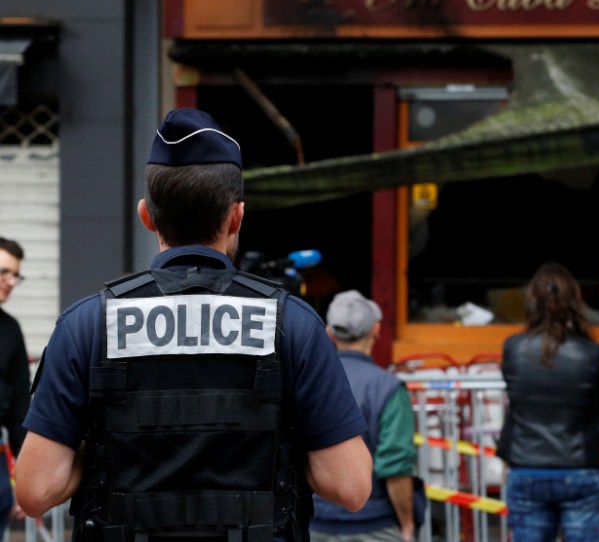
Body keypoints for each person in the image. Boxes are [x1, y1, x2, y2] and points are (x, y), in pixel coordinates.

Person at [13, 108, 373, 541]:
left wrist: (108, 445)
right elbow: (350, 488)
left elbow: (35, 492)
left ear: (147, 216)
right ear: (237, 216)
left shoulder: (87, 325)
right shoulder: (292, 324)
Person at [497, 261, 599, 542]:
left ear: (533, 300)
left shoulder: (514, 348)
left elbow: (517, 399)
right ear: (575, 301)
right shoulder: (591, 352)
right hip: (582, 466)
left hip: (527, 464)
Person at [309, 289, 420, 542]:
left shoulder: (309, 382)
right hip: (374, 525)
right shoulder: (388, 388)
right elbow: (396, 467)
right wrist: (407, 525)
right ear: (377, 329)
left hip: (314, 522)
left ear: (329, 333)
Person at [0, 238, 32, 539]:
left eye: (15, 275)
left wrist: (26, 479)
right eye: (4, 272)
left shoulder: (10, 330)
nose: (11, 281)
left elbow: (21, 408)